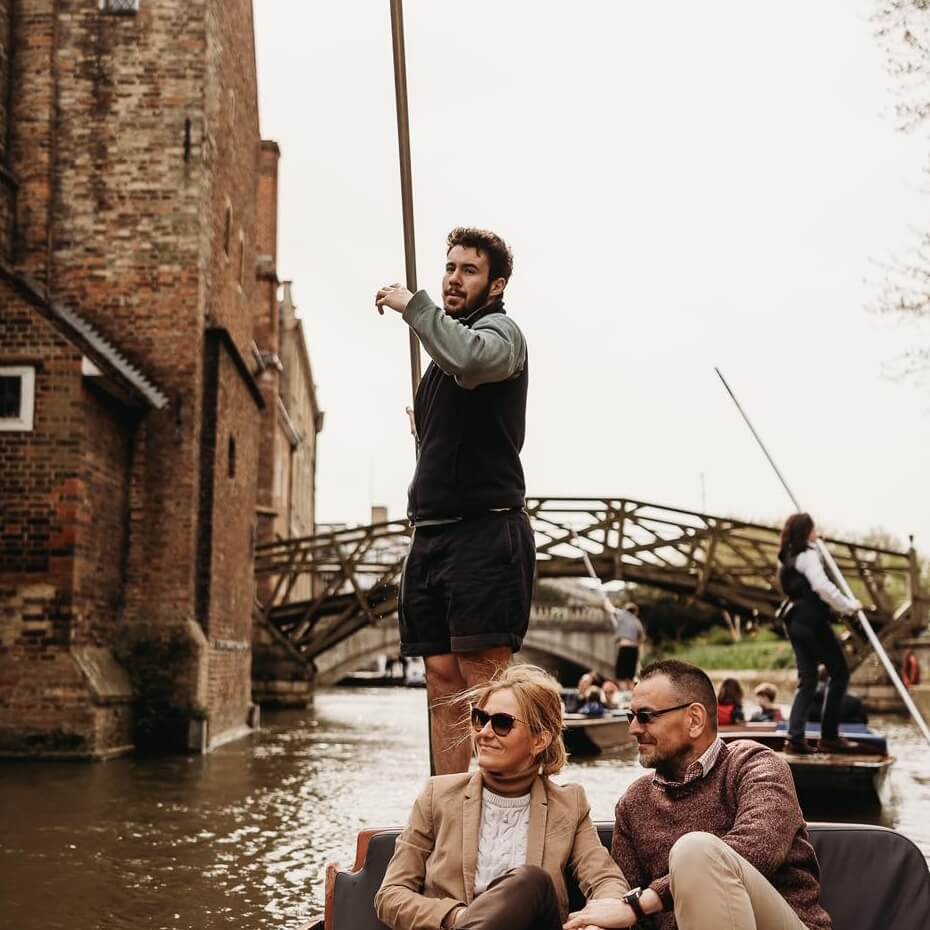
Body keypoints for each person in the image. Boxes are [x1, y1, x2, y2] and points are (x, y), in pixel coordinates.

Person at [375, 228, 535, 774]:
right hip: (433, 533)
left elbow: (471, 359)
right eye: (449, 267)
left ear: (496, 285)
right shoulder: (439, 353)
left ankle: (499, 808)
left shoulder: (501, 333)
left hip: (484, 531)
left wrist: (411, 305)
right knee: (440, 678)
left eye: (469, 270)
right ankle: (450, 805)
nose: (452, 278)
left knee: (485, 687)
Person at [564, 660, 833, 930]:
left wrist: (643, 902)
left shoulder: (755, 765)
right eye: (630, 716)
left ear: (694, 720)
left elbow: (760, 848)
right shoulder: (633, 803)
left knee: (695, 850)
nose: (633, 729)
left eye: (645, 716)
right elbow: (628, 912)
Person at [374, 665, 630, 930]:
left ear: (539, 740)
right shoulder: (437, 795)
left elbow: (606, 881)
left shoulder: (569, 804)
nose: (484, 732)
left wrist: (595, 925)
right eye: (480, 719)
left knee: (531, 882)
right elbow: (391, 895)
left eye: (502, 723)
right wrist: (460, 917)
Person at [777, 513, 862, 755]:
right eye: (813, 529)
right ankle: (830, 736)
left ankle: (794, 740)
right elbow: (821, 586)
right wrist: (849, 605)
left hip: (793, 622)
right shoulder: (808, 555)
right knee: (840, 673)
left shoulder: (786, 558)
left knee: (808, 680)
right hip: (812, 622)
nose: (817, 532)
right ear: (807, 531)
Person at [603, 596, 645, 690]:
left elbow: (609, 608)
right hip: (634, 649)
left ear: (626, 609)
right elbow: (642, 637)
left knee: (621, 677)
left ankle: (623, 693)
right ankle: (630, 696)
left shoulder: (622, 614)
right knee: (630, 677)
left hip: (624, 647)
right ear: (635, 612)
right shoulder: (637, 621)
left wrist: (605, 599)